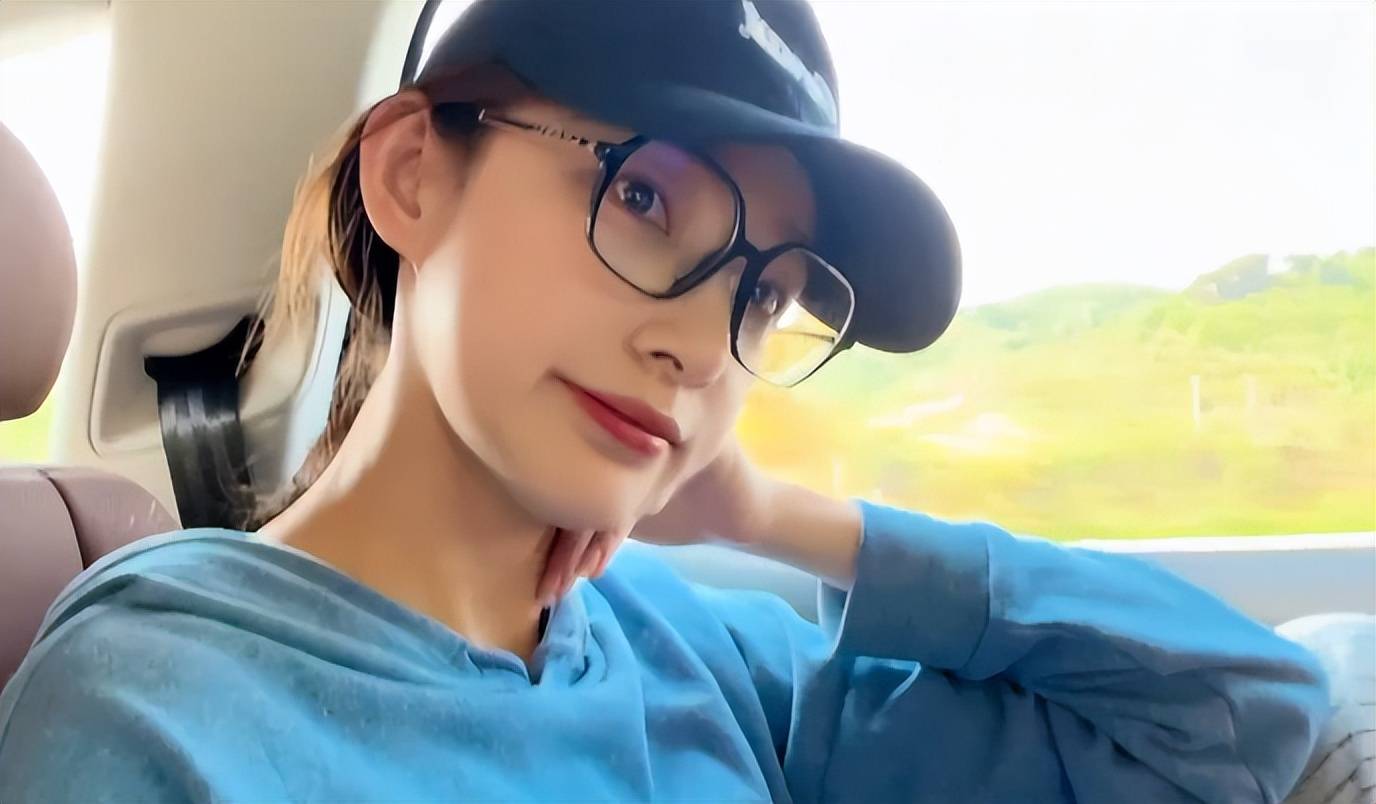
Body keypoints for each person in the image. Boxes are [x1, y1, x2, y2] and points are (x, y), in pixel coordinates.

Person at [0, 1, 1329, 801]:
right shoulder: (156, 712)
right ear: (410, 175)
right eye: (642, 196)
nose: (703, 345)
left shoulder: (692, 654)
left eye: (764, 296)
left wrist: (777, 519)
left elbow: (1242, 721)